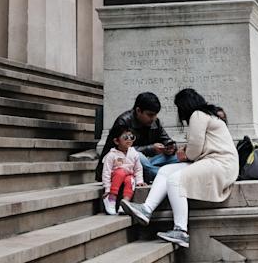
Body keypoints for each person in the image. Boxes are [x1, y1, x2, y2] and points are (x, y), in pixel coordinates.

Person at [122, 88, 239, 248]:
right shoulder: (206, 115)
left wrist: (185, 154)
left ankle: (181, 231)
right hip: (215, 162)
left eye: (179, 107)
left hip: (220, 163)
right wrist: (187, 151)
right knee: (165, 171)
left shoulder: (197, 115)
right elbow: (199, 147)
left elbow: (195, 149)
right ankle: (146, 209)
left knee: (176, 180)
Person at [99, 92, 177, 184]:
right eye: (150, 115)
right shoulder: (123, 122)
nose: (154, 118)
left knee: (176, 157)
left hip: (148, 162)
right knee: (138, 156)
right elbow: (122, 150)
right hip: (123, 163)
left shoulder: (155, 122)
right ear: (138, 111)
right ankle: (165, 175)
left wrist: (170, 147)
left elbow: (165, 139)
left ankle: (155, 172)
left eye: (155, 115)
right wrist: (151, 149)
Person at [100, 129, 144, 215]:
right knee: (121, 172)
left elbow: (138, 168)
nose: (129, 139)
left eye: (132, 137)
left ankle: (125, 203)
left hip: (128, 175)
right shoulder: (111, 154)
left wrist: (139, 181)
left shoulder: (134, 153)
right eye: (125, 137)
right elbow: (106, 172)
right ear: (116, 141)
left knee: (130, 180)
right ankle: (111, 198)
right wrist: (107, 188)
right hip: (116, 177)